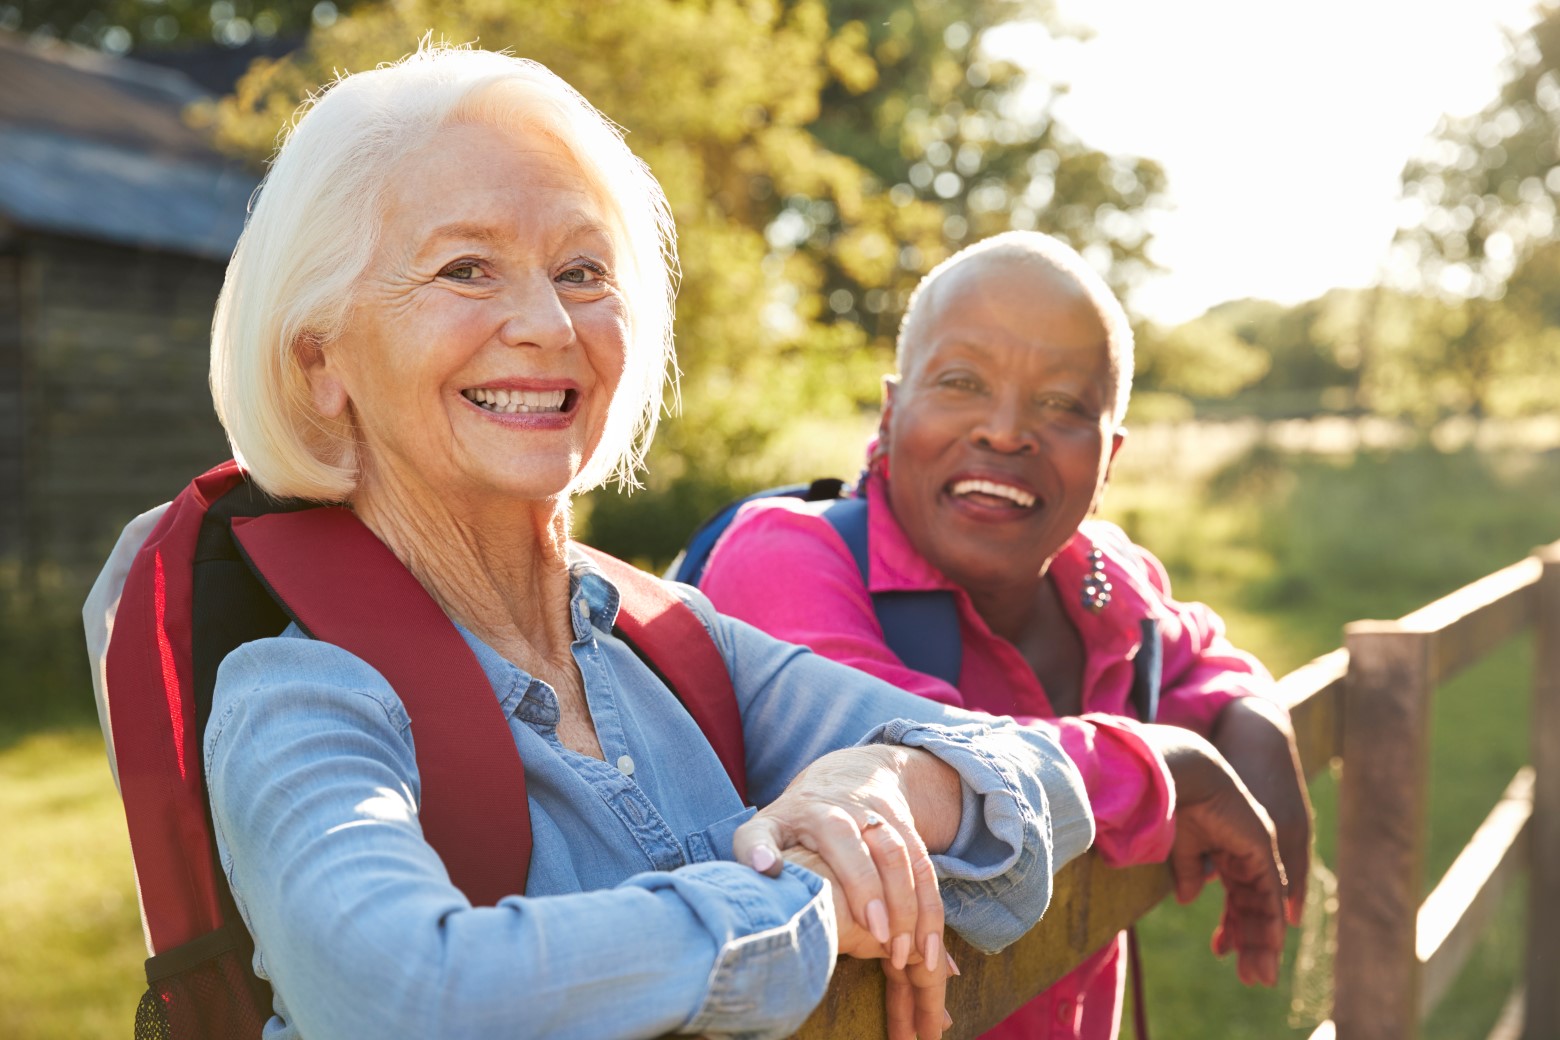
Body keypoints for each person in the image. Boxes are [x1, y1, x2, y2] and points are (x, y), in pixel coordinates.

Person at [82, 50, 1096, 1040]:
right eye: (466, 268)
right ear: (319, 363)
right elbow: (411, 994)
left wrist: (873, 786)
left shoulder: (675, 641)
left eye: (581, 270)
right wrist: (810, 901)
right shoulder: (298, 697)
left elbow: (1042, 778)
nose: (547, 322)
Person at [700, 231, 1312, 1040]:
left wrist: (1255, 720)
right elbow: (934, 775)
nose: (1006, 430)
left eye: (1062, 404)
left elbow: (1197, 655)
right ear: (892, 409)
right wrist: (1172, 764)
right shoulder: (786, 559)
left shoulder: (1102, 581)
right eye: (960, 382)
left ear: (1110, 458)